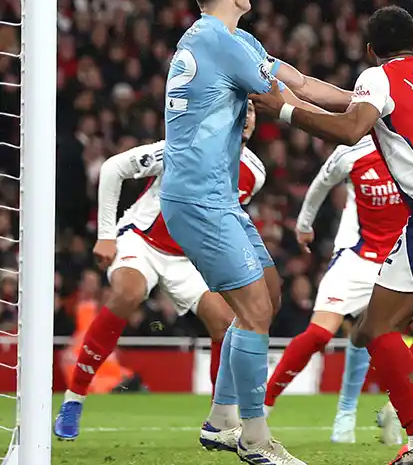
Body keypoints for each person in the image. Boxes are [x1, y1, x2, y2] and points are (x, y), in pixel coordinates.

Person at [251, 6, 413, 465]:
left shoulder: (377, 77)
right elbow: (348, 101)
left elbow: (350, 129)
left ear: (370, 51)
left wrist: (283, 110)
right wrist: (290, 87)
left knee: (372, 330)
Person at [160, 0, 348, 465]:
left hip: (214, 196)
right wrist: (359, 122)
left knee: (267, 289)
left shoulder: (229, 40)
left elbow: (304, 84)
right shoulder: (220, 43)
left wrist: (368, 99)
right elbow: (289, 101)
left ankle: (222, 422)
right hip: (199, 198)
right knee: (256, 311)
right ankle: (255, 437)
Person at [53, 108, 264, 441]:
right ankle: (75, 398)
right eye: (242, 107)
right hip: (143, 240)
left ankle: (219, 423)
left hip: (188, 258)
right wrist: (106, 235)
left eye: (253, 109)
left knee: (225, 321)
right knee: (128, 294)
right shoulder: (186, 145)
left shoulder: (254, 172)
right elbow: (113, 168)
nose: (248, 115)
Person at [263, 137, 408, 444]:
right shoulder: (352, 151)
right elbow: (321, 183)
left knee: (396, 334)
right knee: (318, 334)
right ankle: (261, 407)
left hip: (399, 259)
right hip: (355, 256)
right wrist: (304, 224)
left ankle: (372, 411)